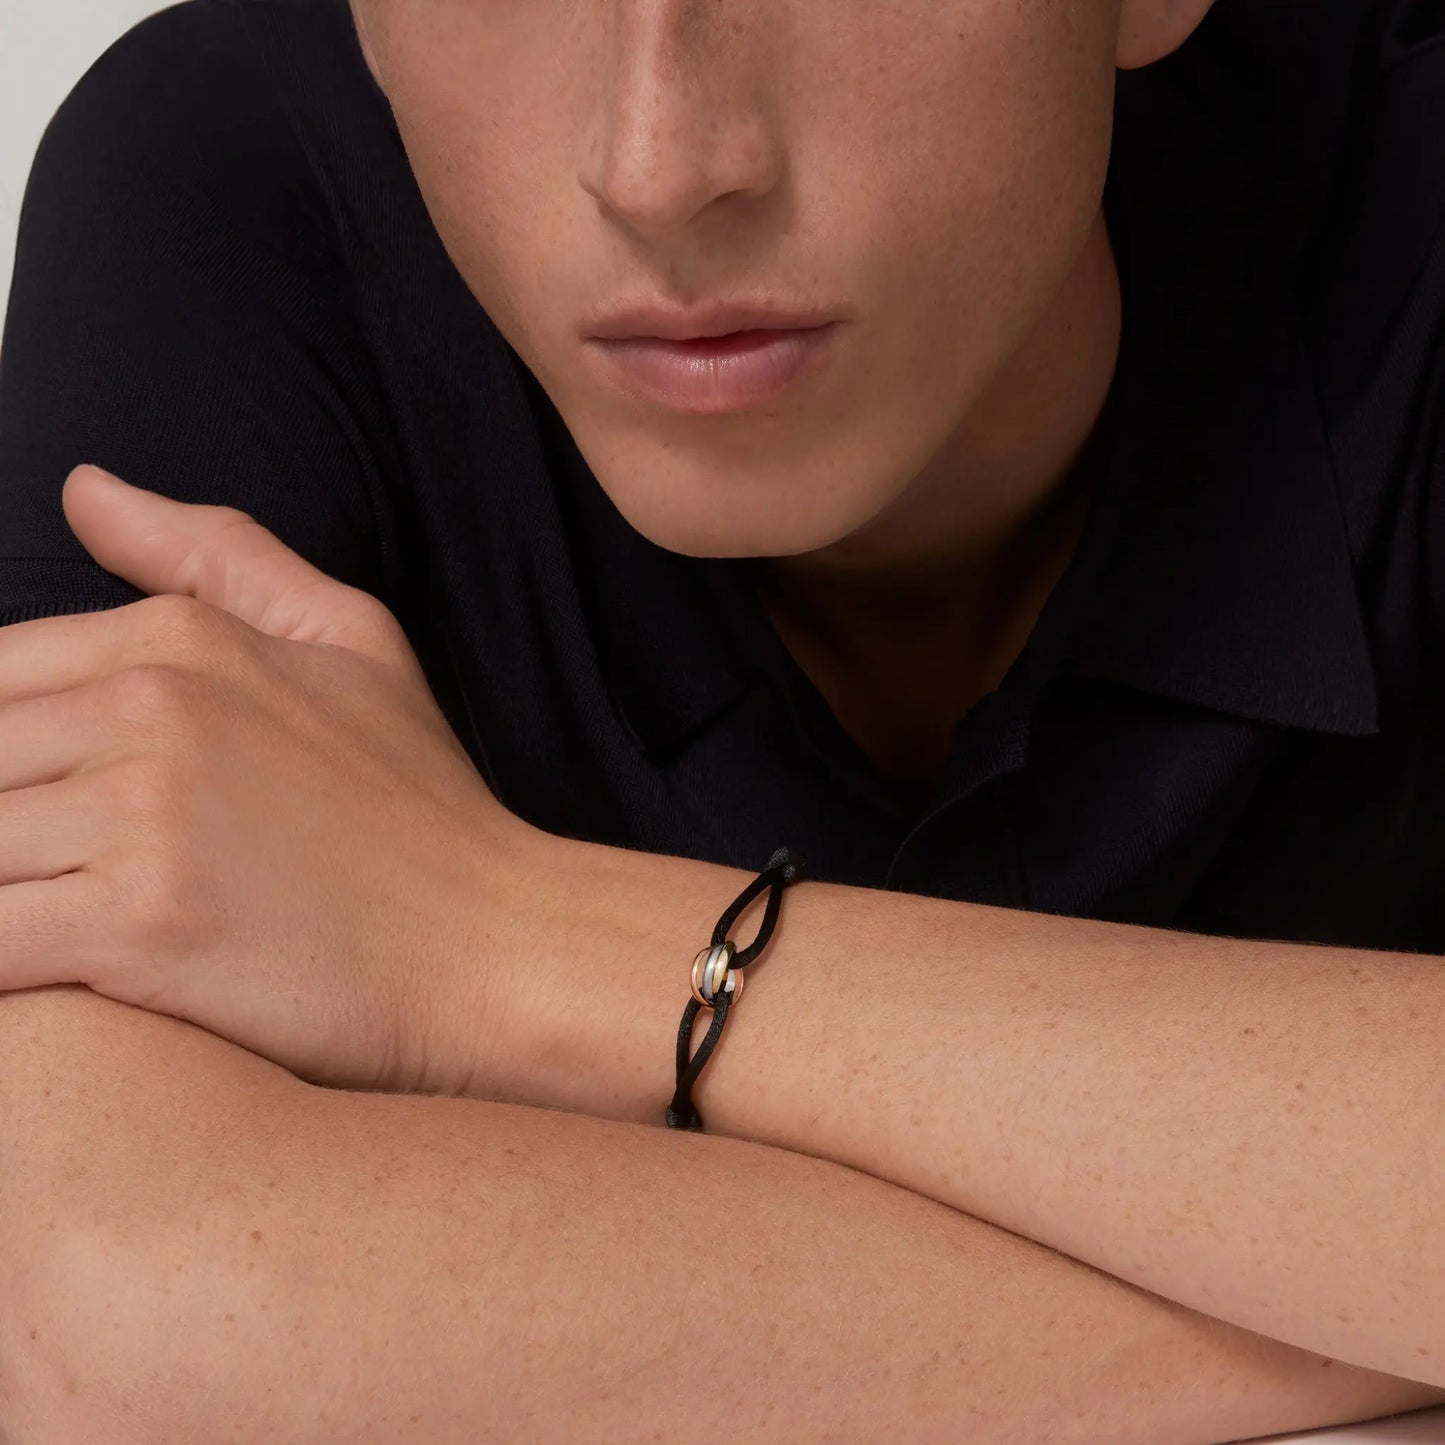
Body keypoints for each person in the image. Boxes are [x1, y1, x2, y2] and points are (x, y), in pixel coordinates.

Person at [0, 0, 1441, 1437]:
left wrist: (495, 932)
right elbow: (96, 1300)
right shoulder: (239, 179)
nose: (660, 167)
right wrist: (1357, 1275)